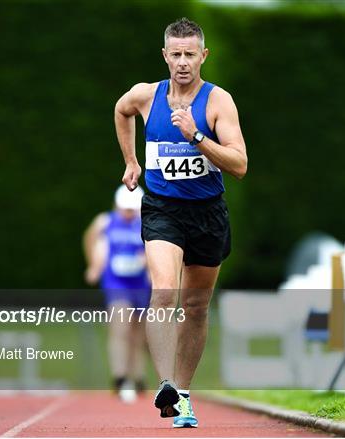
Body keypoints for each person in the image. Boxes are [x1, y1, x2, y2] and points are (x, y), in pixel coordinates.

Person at [113, 17, 247, 428]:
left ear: (203, 56)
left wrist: (196, 137)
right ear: (165, 56)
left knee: (195, 305)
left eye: (191, 54)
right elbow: (121, 110)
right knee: (163, 292)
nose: (183, 62)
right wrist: (131, 161)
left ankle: (184, 395)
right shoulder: (146, 96)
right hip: (162, 210)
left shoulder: (217, 102)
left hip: (207, 213)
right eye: (176, 54)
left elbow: (240, 164)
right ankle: (166, 383)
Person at [83, 185, 150, 403]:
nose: (129, 214)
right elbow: (90, 238)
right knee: (120, 328)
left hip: (141, 284)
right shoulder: (105, 221)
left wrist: (149, 264)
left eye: (132, 210)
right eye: (125, 209)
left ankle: (138, 377)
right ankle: (120, 378)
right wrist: (93, 264)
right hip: (116, 283)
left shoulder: (146, 223)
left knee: (138, 335)